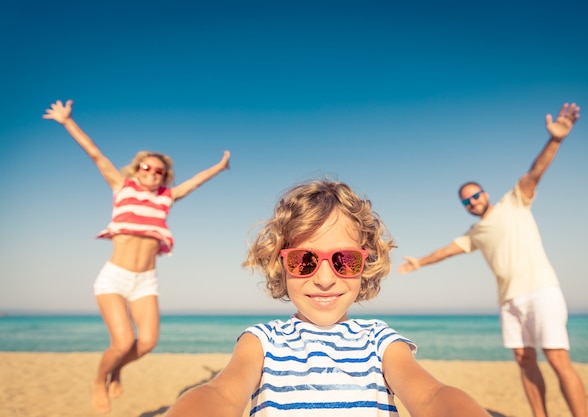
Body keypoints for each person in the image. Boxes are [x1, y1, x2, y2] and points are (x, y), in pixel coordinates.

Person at [165, 179, 490, 417]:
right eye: (303, 260)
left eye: (343, 260)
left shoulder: (379, 340)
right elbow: (221, 394)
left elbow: (431, 396)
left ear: (365, 263)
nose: (323, 279)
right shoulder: (262, 342)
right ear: (281, 263)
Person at [398, 103, 587, 417]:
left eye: (476, 195)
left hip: (541, 290)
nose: (473, 202)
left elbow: (536, 172)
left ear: (485, 193)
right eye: (467, 201)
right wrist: (419, 262)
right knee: (524, 361)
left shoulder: (514, 202)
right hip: (508, 301)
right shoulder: (476, 233)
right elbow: (446, 251)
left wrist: (555, 140)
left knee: (557, 359)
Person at [43, 99, 231, 413]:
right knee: (121, 342)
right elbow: (94, 153)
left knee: (146, 343)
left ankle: (118, 368)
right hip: (114, 277)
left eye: (159, 170)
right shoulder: (121, 186)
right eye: (147, 167)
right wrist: (67, 121)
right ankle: (100, 378)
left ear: (165, 175)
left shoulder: (166, 198)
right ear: (137, 168)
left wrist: (220, 166)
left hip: (146, 280)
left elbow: (196, 182)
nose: (152, 173)